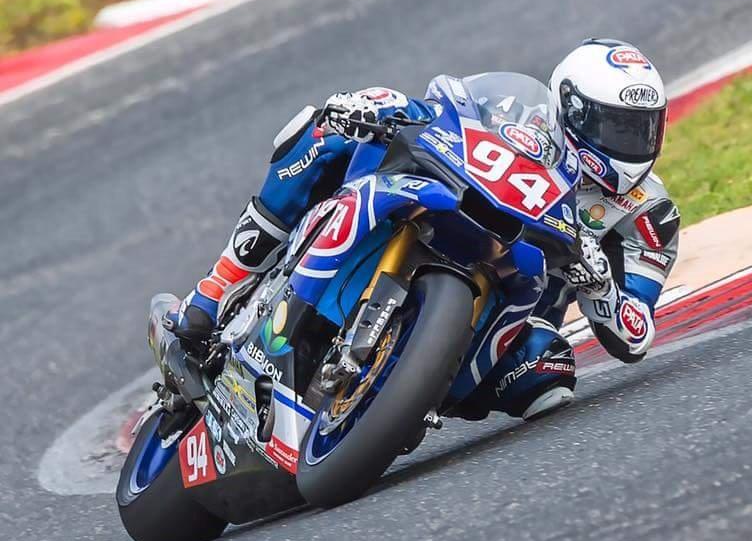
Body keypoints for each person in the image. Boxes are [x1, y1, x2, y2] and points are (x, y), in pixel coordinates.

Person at [169, 38, 680, 421]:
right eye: (617, 127)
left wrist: (601, 285)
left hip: (506, 311)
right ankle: (217, 289)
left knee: (548, 374)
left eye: (643, 129)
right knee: (325, 133)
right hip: (448, 212)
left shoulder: (650, 214)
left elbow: (636, 336)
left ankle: (397, 398)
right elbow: (443, 110)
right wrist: (379, 105)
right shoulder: (523, 113)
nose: (632, 144)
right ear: (573, 110)